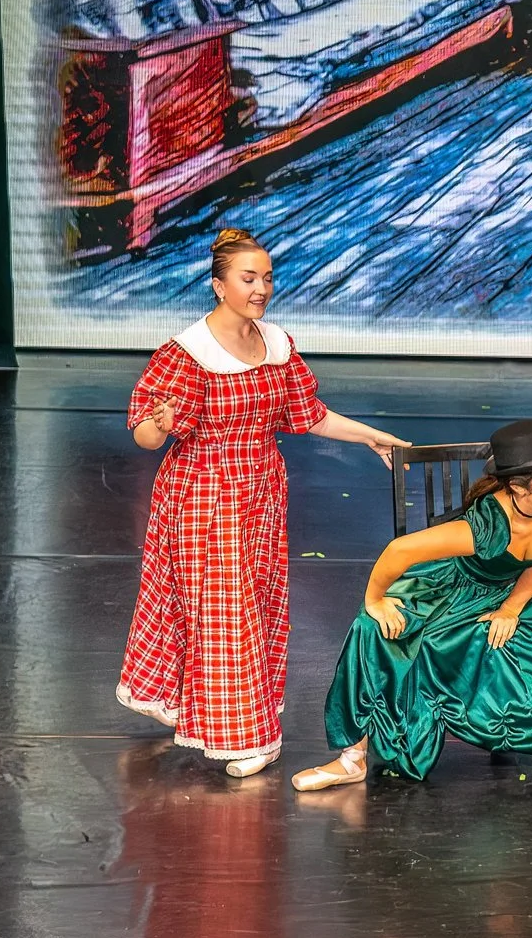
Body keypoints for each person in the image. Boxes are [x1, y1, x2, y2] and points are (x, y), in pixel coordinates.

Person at [119, 229, 408, 777]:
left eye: (267, 277)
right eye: (248, 278)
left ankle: (223, 711)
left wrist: (374, 436)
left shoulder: (275, 345)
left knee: (254, 605)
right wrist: (160, 424)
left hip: (261, 492)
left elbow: (308, 413)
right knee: (226, 611)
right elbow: (145, 434)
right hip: (204, 494)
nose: (261, 288)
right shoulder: (187, 353)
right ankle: (250, 736)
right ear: (218, 285)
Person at [296, 420, 532, 790]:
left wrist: (513, 606)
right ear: (517, 486)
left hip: (527, 583)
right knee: (372, 628)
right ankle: (351, 758)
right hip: (463, 586)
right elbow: (400, 551)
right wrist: (374, 600)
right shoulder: (485, 527)